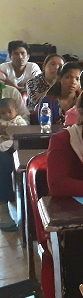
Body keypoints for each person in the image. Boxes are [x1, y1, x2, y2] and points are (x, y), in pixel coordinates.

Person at [0, 82, 30, 231]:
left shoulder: (11, 92)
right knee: (3, 160)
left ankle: (27, 208)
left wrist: (11, 129)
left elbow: (26, 118)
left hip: (17, 139)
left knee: (24, 157)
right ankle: (3, 207)